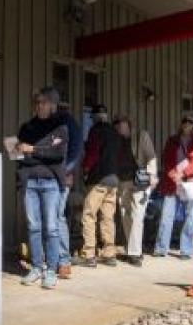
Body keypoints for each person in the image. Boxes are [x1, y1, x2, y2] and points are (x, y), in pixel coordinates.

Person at [17, 87, 68, 289]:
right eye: (37, 102)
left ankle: (51, 270)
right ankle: (37, 267)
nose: (39, 105)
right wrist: (29, 153)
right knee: (33, 227)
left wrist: (33, 149)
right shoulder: (27, 127)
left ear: (53, 105)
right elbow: (19, 154)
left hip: (50, 183)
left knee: (52, 227)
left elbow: (57, 154)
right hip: (30, 182)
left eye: (44, 102)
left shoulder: (59, 127)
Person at [153, 113, 193, 260]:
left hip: (191, 182)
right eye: (185, 121)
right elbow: (166, 160)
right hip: (173, 182)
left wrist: (183, 174)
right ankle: (161, 248)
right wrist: (173, 175)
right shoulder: (172, 140)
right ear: (181, 124)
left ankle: (187, 249)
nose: (187, 124)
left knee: (191, 217)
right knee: (166, 216)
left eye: (190, 122)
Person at [80, 111, 123, 267]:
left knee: (89, 214)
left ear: (95, 118)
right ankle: (109, 253)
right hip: (114, 179)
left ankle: (89, 254)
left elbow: (93, 153)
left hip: (98, 178)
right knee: (108, 217)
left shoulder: (96, 131)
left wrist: (85, 168)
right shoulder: (115, 133)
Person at [115, 116, 158, 267]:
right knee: (125, 215)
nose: (119, 129)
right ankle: (133, 249)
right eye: (117, 126)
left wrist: (152, 175)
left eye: (121, 125)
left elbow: (151, 156)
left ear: (128, 125)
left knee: (137, 215)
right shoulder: (117, 140)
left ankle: (134, 252)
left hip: (140, 180)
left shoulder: (141, 136)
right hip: (122, 181)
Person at [56, 102, 82, 279]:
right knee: (56, 216)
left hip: (60, 177)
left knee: (57, 216)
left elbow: (76, 151)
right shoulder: (56, 123)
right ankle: (57, 258)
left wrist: (65, 171)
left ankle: (63, 260)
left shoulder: (67, 123)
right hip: (51, 176)